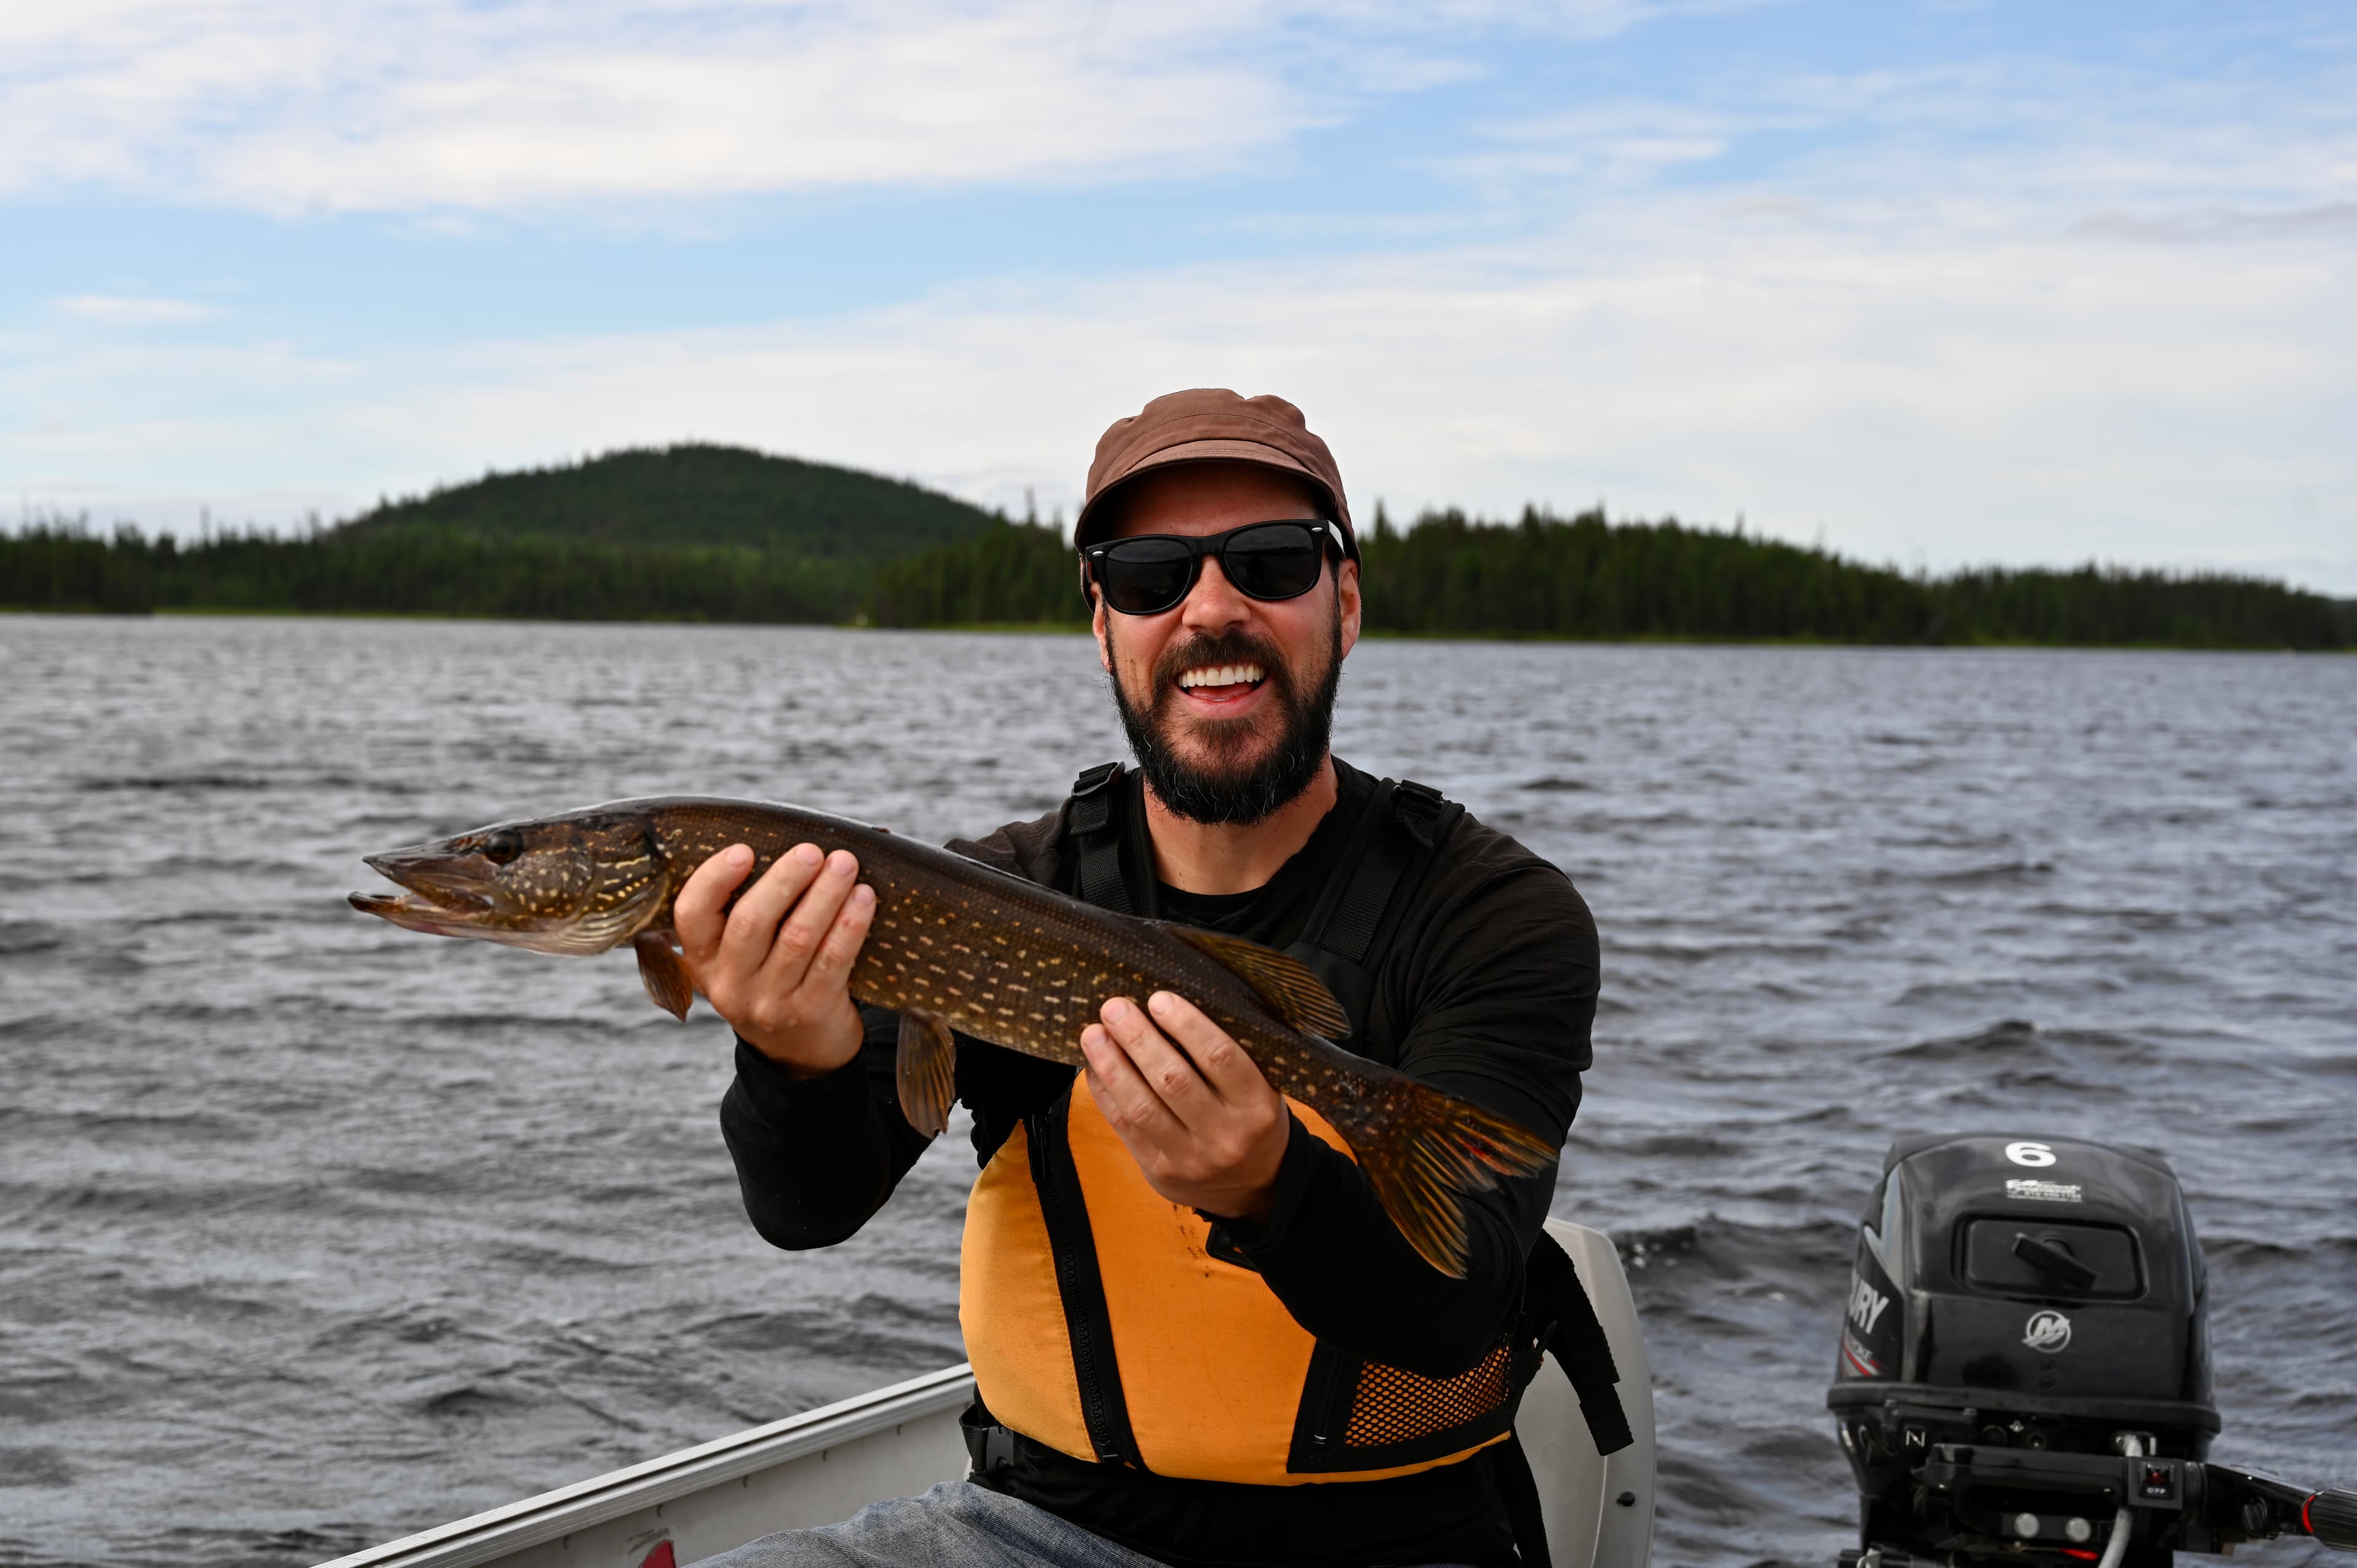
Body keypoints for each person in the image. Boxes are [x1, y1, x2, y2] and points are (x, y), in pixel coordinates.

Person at [678, 390, 1600, 1568]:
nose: (1211, 609)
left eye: (1269, 563)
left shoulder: (1491, 913)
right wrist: (793, 1060)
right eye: (1151, 574)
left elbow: (1457, 1305)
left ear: (1347, 602)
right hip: (1032, 1531)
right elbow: (807, 1213)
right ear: (1102, 621)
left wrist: (1274, 1186)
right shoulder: (1002, 889)